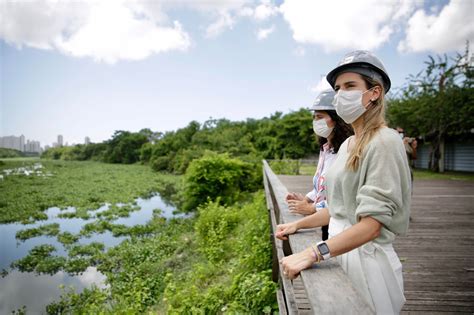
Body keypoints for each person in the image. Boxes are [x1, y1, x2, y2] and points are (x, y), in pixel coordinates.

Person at [280, 50, 412, 314]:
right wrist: (298, 225)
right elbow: (339, 210)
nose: (341, 94)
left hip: (365, 259)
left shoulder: (386, 141)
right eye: (338, 88)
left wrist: (313, 253)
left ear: (374, 92)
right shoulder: (349, 144)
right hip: (339, 249)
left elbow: (372, 225)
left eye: (350, 86)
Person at [282, 89, 353, 240]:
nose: (316, 122)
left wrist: (313, 208)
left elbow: (344, 199)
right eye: (314, 117)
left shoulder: (347, 151)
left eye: (320, 117)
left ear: (336, 119)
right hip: (325, 221)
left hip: (343, 226)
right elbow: (323, 187)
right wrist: (306, 200)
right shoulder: (326, 149)